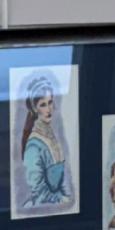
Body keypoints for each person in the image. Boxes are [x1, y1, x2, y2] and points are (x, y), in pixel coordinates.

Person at [17, 73, 73, 212]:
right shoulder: (34, 146)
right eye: (43, 104)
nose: (48, 109)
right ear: (35, 109)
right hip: (42, 206)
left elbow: (63, 179)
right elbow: (40, 192)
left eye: (50, 102)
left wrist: (68, 198)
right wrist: (63, 199)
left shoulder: (52, 137)